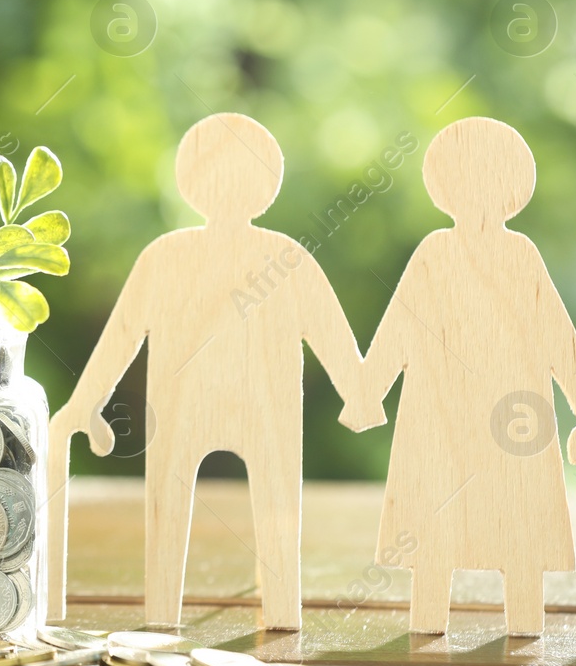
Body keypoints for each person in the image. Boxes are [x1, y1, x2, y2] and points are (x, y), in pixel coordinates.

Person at [51, 113, 361, 629]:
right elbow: (334, 337)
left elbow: (122, 335)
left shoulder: (167, 255)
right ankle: (278, 612)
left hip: (192, 408)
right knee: (270, 501)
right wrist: (359, 393)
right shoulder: (286, 257)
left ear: (188, 181)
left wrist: (86, 404)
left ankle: (165, 614)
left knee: (175, 505)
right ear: (270, 184)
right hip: (252, 410)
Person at [343, 117, 576, 635]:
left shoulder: (510, 256)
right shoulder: (442, 255)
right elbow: (399, 330)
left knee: (510, 525)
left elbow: (558, 339)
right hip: (458, 420)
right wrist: (365, 393)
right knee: (444, 529)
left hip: (502, 421)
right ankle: (438, 620)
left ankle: (514, 622)